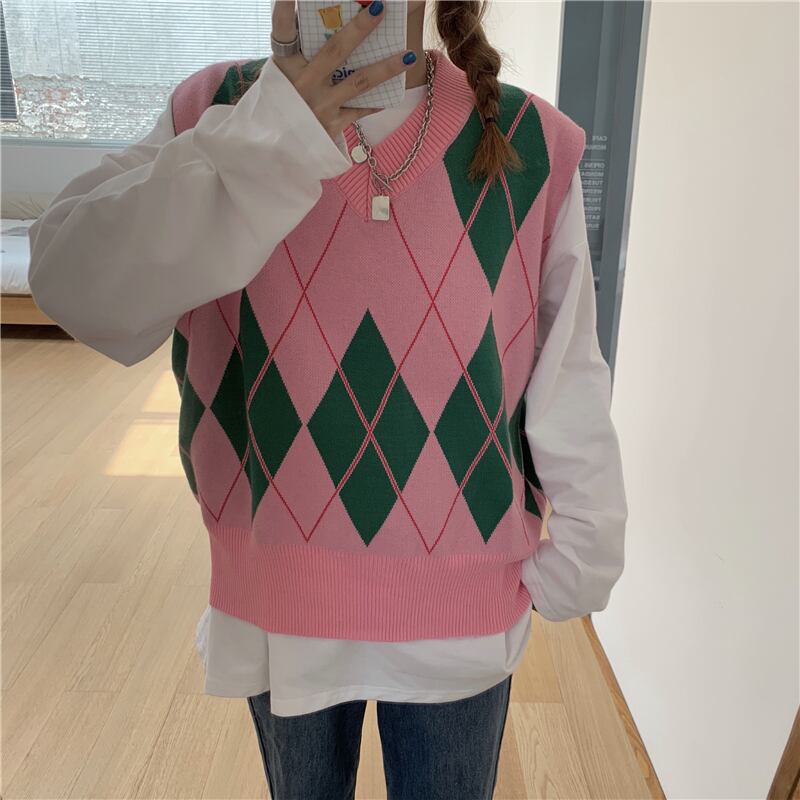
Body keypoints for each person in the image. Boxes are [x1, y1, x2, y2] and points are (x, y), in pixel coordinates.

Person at [27, 0, 628, 797]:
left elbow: (566, 366)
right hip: (280, 601)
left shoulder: (528, 140)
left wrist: (585, 550)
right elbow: (74, 285)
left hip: (463, 607)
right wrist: (267, 136)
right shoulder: (213, 114)